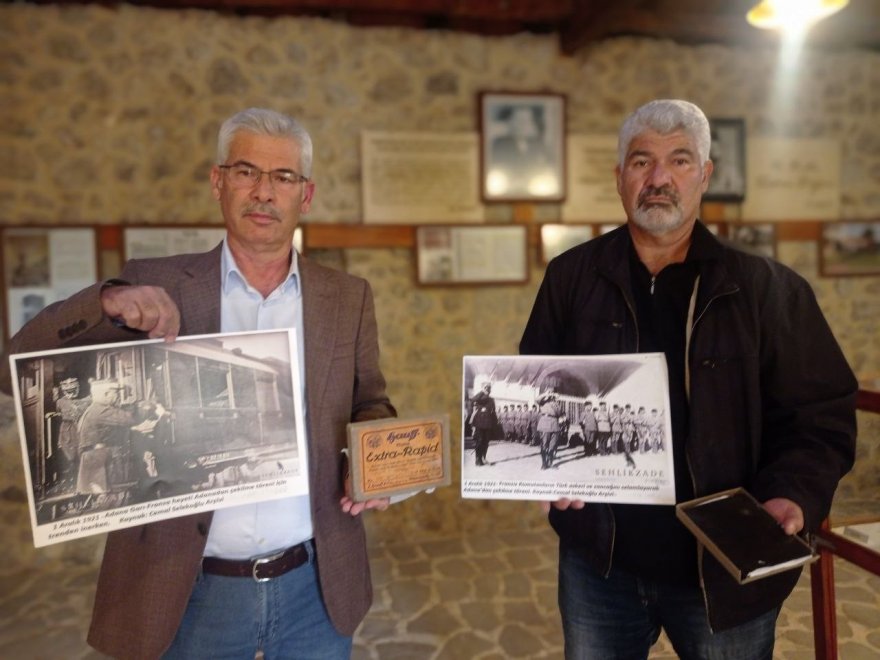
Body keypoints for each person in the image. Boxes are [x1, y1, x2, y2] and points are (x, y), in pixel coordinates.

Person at [0, 108, 396, 660]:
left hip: (316, 584)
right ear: (218, 182)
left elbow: (371, 402)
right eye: (245, 172)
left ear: (305, 196)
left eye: (283, 177)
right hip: (187, 589)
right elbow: (17, 361)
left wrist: (374, 459)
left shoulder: (347, 296)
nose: (264, 192)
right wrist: (108, 302)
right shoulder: (156, 283)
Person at [519, 99, 857, 659]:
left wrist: (792, 492)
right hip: (599, 561)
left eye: (678, 161)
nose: (658, 178)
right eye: (640, 161)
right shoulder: (571, 277)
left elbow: (820, 414)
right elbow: (538, 390)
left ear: (705, 175)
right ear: (619, 178)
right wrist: (541, 468)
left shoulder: (768, 289)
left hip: (724, 569)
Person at [536, 385, 566, 470]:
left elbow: (560, 413)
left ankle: (550, 462)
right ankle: (544, 463)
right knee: (544, 444)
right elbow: (537, 400)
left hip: (555, 424)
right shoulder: (543, 401)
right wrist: (546, 395)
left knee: (553, 445)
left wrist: (556, 400)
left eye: (552, 391)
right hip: (545, 422)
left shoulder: (556, 403)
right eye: (549, 391)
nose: (551, 393)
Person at [470, 381, 497, 466]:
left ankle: (483, 458)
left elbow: (493, 412)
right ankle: (478, 460)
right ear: (483, 388)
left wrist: (495, 423)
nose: (488, 389)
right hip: (479, 423)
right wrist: (482, 391)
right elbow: (473, 400)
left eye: (489, 388)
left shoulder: (492, 400)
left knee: (486, 442)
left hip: (488, 424)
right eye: (486, 388)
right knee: (479, 441)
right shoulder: (479, 398)